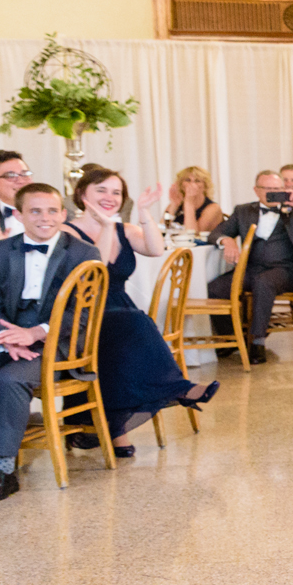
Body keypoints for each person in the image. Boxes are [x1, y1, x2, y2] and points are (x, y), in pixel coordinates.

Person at [0, 183, 101, 506]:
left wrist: (35, 334)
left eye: (52, 211)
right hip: (0, 334)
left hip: (54, 340)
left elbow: (80, 315)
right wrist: (5, 337)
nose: (45, 218)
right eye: (35, 211)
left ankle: (2, 469)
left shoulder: (84, 253)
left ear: (63, 214)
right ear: (20, 215)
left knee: (10, 379)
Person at [63, 168, 219, 457]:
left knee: (129, 333)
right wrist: (107, 227)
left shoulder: (126, 230)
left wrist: (145, 211)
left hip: (118, 308)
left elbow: (156, 248)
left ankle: (114, 431)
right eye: (101, 191)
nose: (110, 198)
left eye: (116, 193)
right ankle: (179, 389)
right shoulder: (66, 231)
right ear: (83, 194)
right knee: (136, 323)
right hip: (82, 313)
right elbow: (96, 268)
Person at [207, 169, 293, 366]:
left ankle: (257, 342)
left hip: (287, 270)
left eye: (277, 189)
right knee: (214, 289)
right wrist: (226, 240)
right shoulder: (243, 211)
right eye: (267, 189)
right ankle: (233, 338)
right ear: (256, 190)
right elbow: (215, 233)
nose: (272, 193)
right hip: (250, 269)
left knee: (264, 282)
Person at [163, 166, 225, 233]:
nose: (192, 184)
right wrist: (173, 205)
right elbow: (162, 229)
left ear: (205, 186)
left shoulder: (213, 208)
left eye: (197, 181)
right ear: (181, 184)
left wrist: (189, 203)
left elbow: (193, 235)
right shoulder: (178, 203)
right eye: (188, 180)